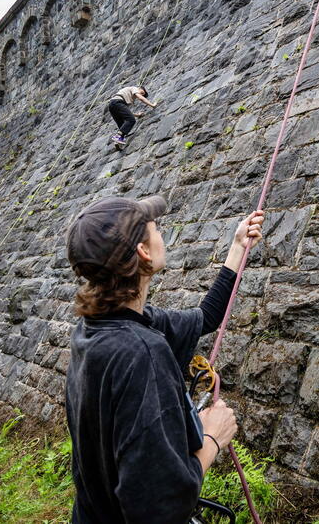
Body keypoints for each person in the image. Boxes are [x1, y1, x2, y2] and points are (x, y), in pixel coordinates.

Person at [64, 195, 265, 523]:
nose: (162, 237)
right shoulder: (142, 353)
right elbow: (159, 509)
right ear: (144, 252)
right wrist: (213, 438)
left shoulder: (95, 327)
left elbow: (207, 317)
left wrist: (238, 248)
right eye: (156, 229)